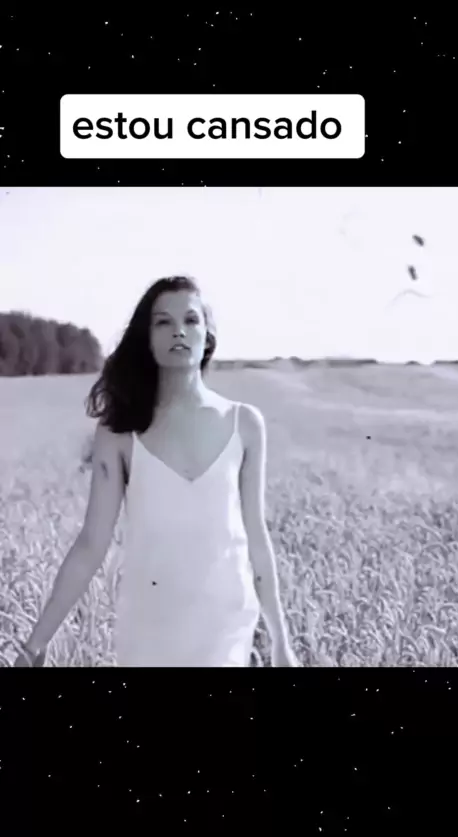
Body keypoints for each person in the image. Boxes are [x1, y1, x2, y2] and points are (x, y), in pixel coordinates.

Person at [14, 275, 298, 667]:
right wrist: (35, 645)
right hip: (149, 626)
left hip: (226, 621)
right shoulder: (119, 433)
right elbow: (91, 544)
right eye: (163, 322)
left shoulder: (245, 423)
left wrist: (281, 643)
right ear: (146, 339)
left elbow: (256, 537)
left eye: (191, 320)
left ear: (208, 337)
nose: (179, 331)